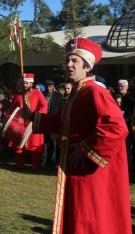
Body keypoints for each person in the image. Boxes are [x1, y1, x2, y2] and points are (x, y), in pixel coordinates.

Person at [23, 37, 130, 234]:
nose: (69, 65)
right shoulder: (76, 94)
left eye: (75, 61)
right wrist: (33, 117)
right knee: (76, 216)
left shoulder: (95, 92)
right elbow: (62, 123)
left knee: (89, 219)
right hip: (75, 168)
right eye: (68, 60)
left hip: (90, 170)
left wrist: (85, 149)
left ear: (87, 67)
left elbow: (116, 127)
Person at [6, 73, 47, 169]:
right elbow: (11, 109)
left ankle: (35, 166)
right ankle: (20, 164)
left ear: (31, 84)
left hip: (33, 124)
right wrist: (8, 119)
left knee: (35, 146)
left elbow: (44, 106)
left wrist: (36, 116)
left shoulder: (38, 94)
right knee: (19, 146)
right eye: (23, 83)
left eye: (27, 83)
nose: (24, 85)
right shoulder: (18, 96)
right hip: (20, 124)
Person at [44, 79, 65, 167]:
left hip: (54, 121)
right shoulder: (42, 95)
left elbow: (62, 108)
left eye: (50, 86)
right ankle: (44, 160)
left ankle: (53, 161)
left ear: (53, 87)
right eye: (47, 86)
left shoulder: (58, 96)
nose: (49, 88)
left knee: (53, 142)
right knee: (45, 142)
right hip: (44, 120)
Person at [116, 79, 134, 171]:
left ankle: (130, 168)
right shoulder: (114, 96)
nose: (120, 88)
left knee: (129, 146)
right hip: (118, 125)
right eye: (119, 86)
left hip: (129, 124)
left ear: (127, 87)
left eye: (122, 86)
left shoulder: (131, 97)